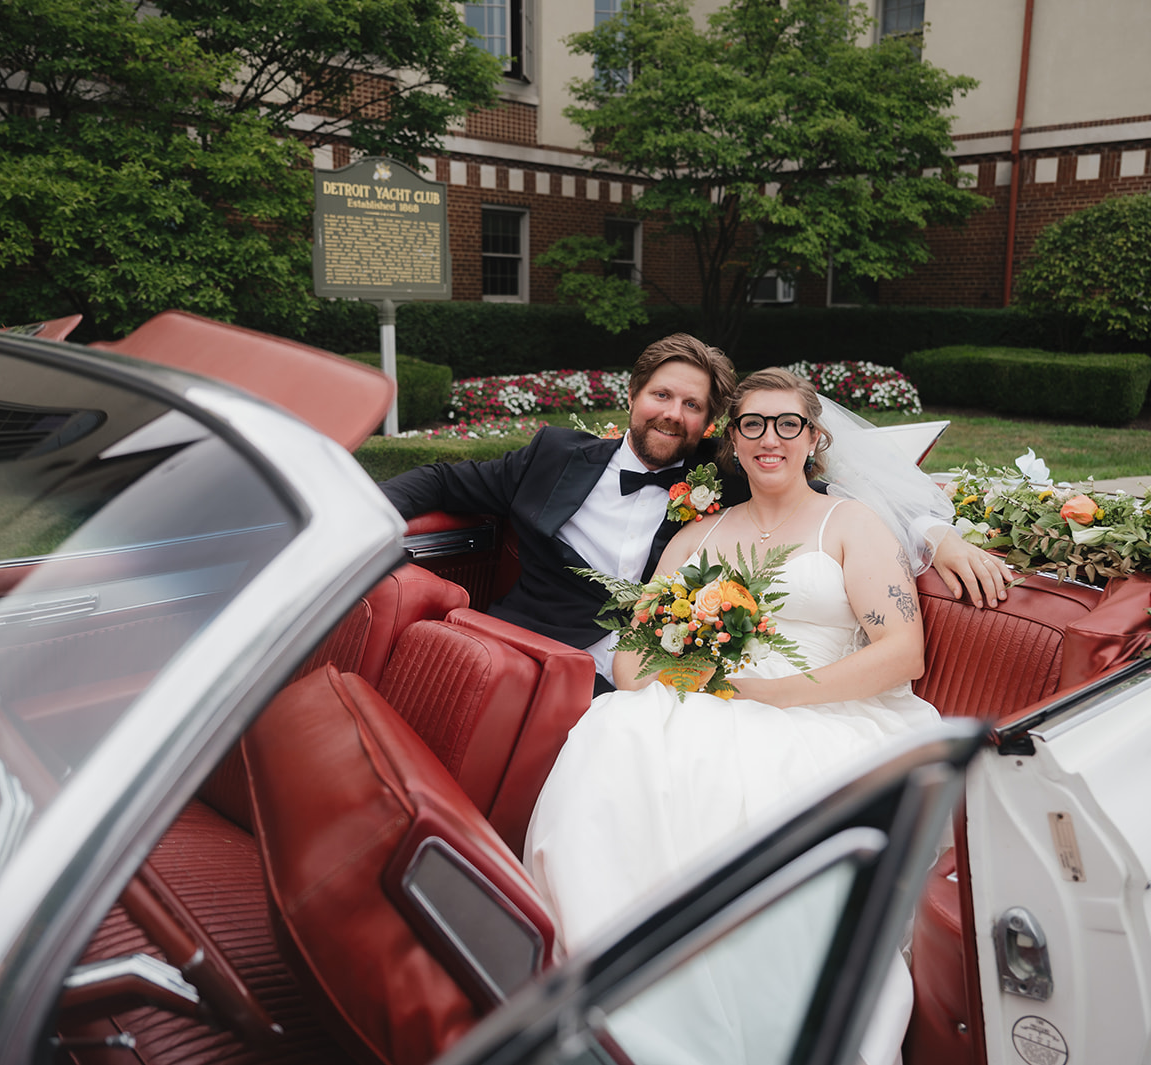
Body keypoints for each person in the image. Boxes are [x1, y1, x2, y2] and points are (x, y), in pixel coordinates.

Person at [523, 369, 937, 1064]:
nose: (770, 438)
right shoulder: (697, 538)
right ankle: (609, 993)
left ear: (813, 437)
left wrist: (784, 693)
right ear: (732, 440)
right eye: (753, 423)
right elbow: (630, 665)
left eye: (787, 424)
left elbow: (904, 653)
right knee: (613, 727)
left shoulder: (850, 525)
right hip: (712, 700)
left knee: (756, 778)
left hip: (829, 707)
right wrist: (713, 680)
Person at [379, 333, 1009, 691]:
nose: (672, 414)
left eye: (692, 405)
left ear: (712, 426)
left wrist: (936, 535)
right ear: (632, 396)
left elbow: (834, 487)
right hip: (540, 647)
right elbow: (440, 479)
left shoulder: (728, 478)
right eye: (661, 396)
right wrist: (360, 516)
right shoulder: (552, 457)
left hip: (656, 664)